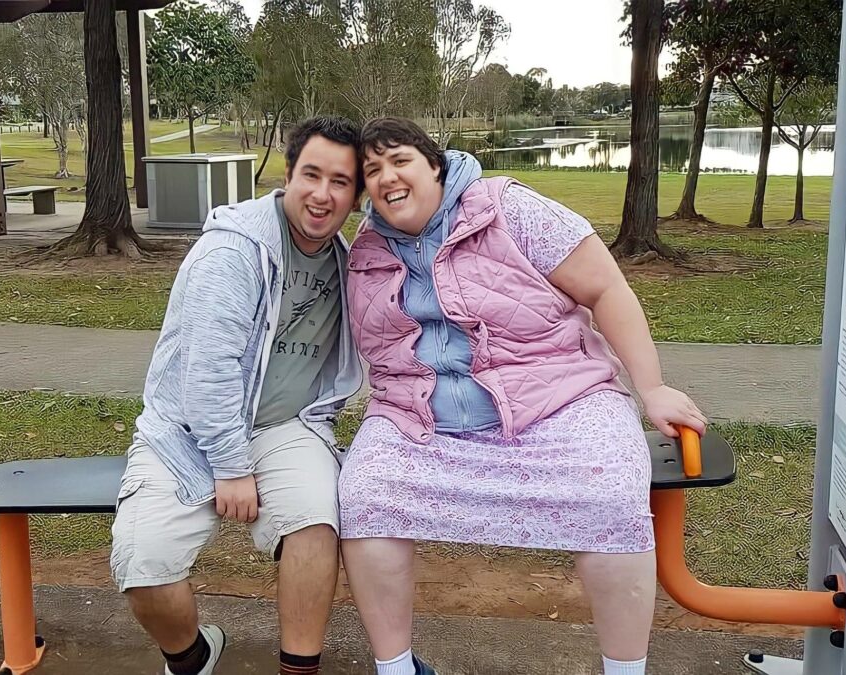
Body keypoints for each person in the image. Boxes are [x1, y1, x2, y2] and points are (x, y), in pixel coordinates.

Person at [339, 117, 708, 675]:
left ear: (434, 164)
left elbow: (607, 288)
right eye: (372, 172)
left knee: (610, 492)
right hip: (422, 419)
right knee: (366, 493)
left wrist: (651, 387)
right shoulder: (365, 250)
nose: (387, 178)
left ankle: (625, 670)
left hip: (555, 400)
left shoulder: (508, 209)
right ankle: (396, 669)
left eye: (400, 161)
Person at [110, 116, 365, 675]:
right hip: (185, 431)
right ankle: (192, 656)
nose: (322, 195)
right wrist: (230, 464)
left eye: (340, 182)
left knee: (315, 526)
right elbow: (208, 368)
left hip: (285, 427)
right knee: (144, 565)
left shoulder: (350, 261)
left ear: (356, 196)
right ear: (287, 175)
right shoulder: (234, 250)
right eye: (311, 174)